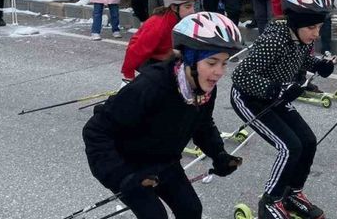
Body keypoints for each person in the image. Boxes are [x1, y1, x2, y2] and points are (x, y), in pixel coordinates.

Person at [83, 11, 244, 219]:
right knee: (155, 215)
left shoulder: (204, 89)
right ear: (188, 58)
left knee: (191, 210)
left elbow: (202, 124)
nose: (219, 72)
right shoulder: (152, 86)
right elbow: (96, 130)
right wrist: (121, 176)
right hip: (126, 164)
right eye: (212, 63)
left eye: (224, 63)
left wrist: (219, 154)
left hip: (163, 160)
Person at [230, 0, 335, 219]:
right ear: (296, 22)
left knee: (307, 141)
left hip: (274, 97)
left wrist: (319, 64)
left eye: (319, 26)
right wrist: (276, 89)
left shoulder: (299, 37)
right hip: (249, 98)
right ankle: (270, 201)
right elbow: (240, 75)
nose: (316, 34)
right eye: (311, 27)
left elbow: (299, 59)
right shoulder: (274, 39)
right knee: (289, 146)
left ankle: (292, 193)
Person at [122, 0, 202, 83]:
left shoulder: (181, 20)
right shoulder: (158, 25)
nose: (192, 11)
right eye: (188, 7)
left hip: (166, 54)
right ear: (174, 7)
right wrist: (128, 76)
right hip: (149, 61)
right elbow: (135, 50)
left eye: (193, 6)